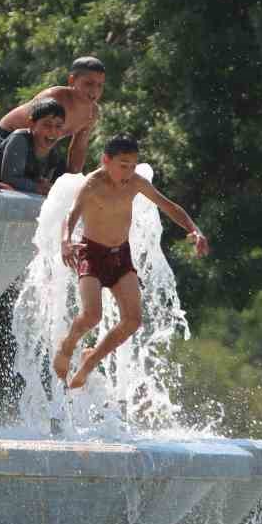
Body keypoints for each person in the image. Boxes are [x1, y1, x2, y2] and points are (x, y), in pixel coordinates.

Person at [51, 135, 209, 389]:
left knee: (133, 321)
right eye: (123, 165)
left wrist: (194, 229)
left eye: (133, 166)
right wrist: (65, 241)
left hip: (121, 256)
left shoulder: (136, 182)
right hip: (92, 255)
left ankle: (90, 361)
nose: (128, 172)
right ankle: (67, 346)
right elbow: (71, 215)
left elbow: (169, 206)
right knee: (92, 316)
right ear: (106, 160)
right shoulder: (92, 184)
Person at [0, 55, 107, 174]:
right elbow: (30, 134)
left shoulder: (92, 113)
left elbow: (79, 148)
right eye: (88, 84)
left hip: (39, 146)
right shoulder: (54, 98)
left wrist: (73, 178)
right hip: (6, 136)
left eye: (100, 85)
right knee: (14, 179)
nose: (95, 91)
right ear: (72, 80)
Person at [0, 98, 69, 195]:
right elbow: (9, 179)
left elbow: (43, 183)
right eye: (47, 125)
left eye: (58, 126)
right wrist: (37, 187)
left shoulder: (53, 152)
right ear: (32, 124)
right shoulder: (20, 139)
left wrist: (45, 185)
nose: (53, 131)